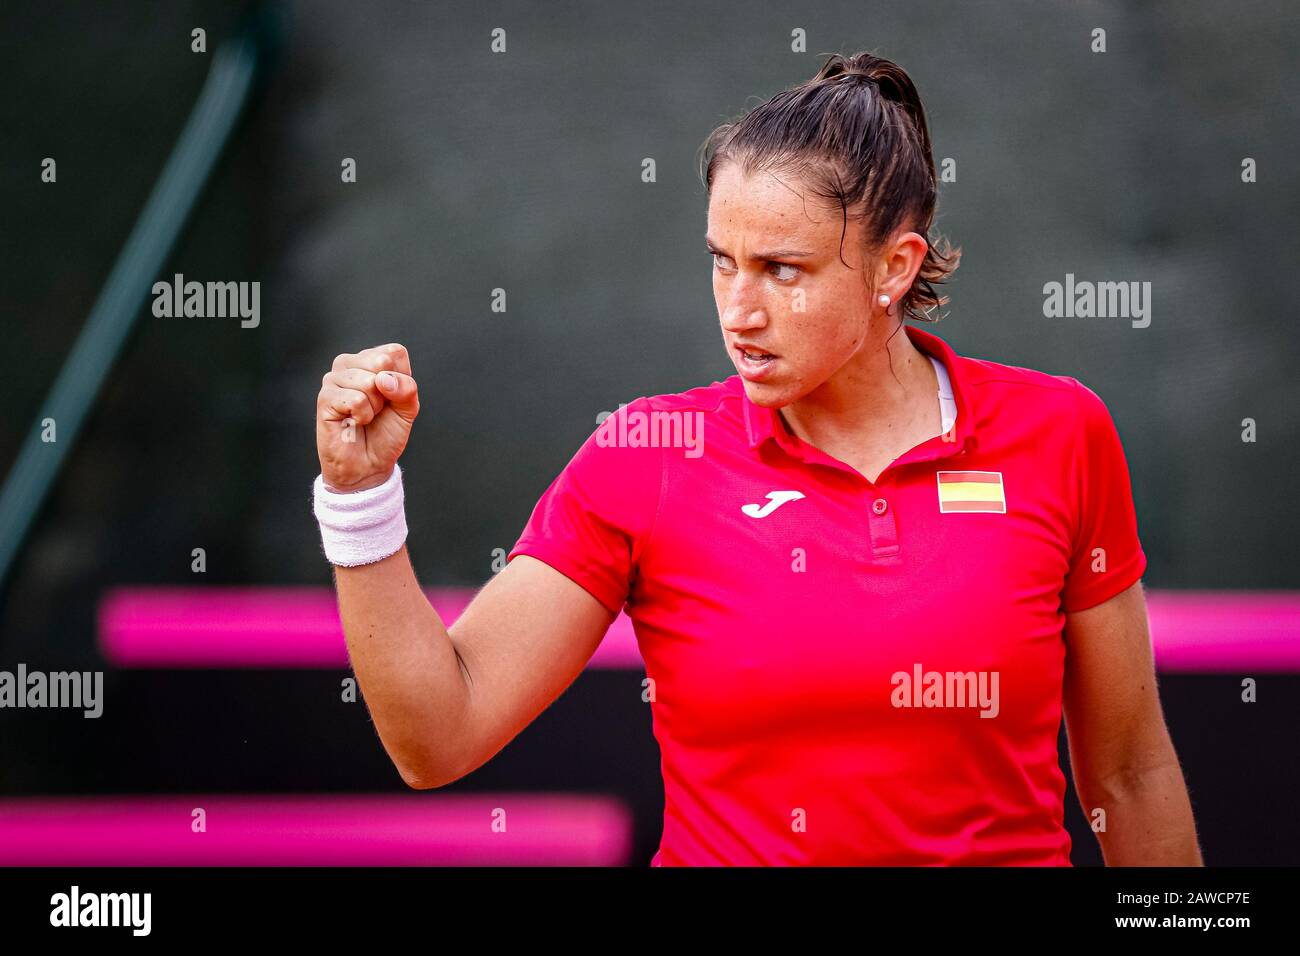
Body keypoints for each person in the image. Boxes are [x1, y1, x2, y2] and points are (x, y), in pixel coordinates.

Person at [312, 52, 1202, 866]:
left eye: (782, 269)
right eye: (721, 262)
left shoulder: (1063, 431)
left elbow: (1128, 776)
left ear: (896, 266)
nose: (738, 311)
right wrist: (360, 497)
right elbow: (437, 737)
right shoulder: (644, 455)